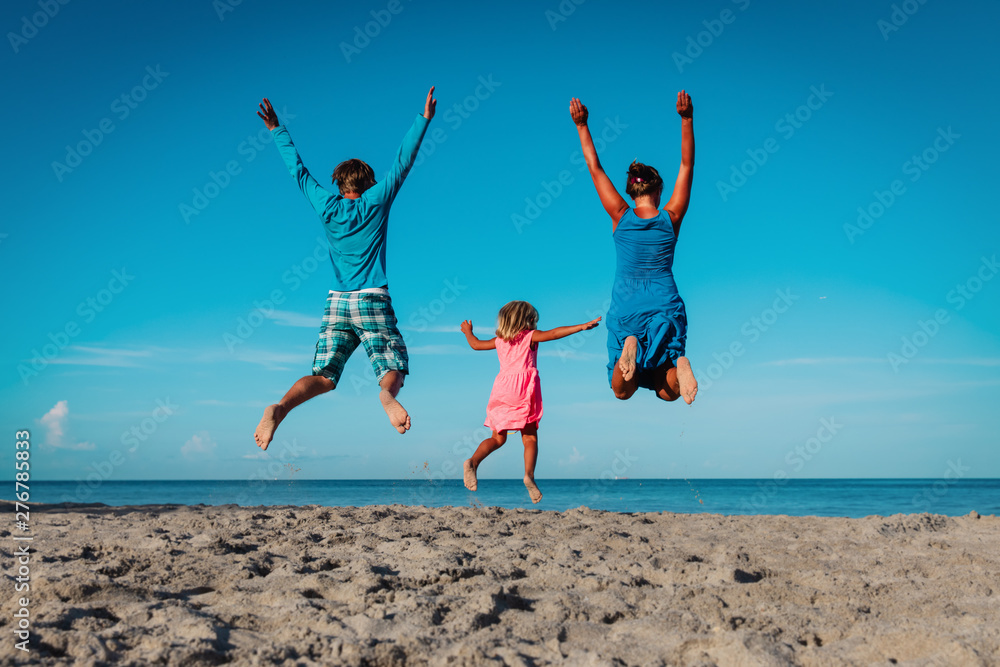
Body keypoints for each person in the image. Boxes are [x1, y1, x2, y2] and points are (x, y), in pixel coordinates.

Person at [252, 88, 436, 450]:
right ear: (368, 183)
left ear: (339, 184)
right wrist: (424, 119)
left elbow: (298, 172)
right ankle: (386, 397)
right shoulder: (376, 201)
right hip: (372, 299)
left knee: (324, 377)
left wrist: (276, 128)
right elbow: (403, 162)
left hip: (337, 303)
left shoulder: (326, 205)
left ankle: (280, 408)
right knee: (392, 367)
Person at [570, 91, 698, 405]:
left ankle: (630, 345)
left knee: (621, 390)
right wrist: (686, 118)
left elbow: (595, 168)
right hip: (664, 305)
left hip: (627, 307)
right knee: (667, 391)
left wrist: (582, 125)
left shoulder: (620, 216)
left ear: (631, 189)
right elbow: (686, 164)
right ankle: (679, 364)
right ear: (658, 189)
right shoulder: (672, 218)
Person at [460, 301, 601, 503]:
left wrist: (467, 331)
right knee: (530, 439)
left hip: (501, 392)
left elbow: (475, 345)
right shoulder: (530, 337)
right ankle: (529, 475)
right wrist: (580, 327)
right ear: (528, 320)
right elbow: (553, 334)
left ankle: (473, 461)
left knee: (498, 439)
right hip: (523, 391)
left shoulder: (499, 341)